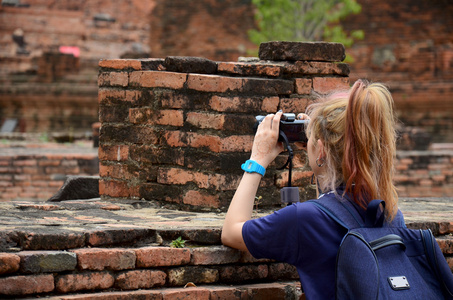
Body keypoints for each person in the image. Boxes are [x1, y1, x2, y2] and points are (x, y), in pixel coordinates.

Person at [221, 79, 400, 299]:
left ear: (322, 150)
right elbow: (333, 205)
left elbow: (231, 233)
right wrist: (320, 155)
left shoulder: (304, 220)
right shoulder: (388, 212)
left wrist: (257, 159)